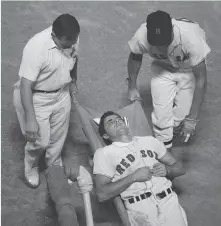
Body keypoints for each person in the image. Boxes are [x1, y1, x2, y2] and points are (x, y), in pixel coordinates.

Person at [127, 10, 211, 150]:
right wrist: (132, 86)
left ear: (172, 29)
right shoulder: (141, 36)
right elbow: (135, 56)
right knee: (161, 118)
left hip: (188, 69)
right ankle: (163, 151)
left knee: (182, 117)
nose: (161, 47)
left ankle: (178, 124)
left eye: (164, 42)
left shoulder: (191, 39)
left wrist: (192, 118)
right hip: (162, 68)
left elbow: (201, 78)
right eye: (156, 43)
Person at [13, 14, 80, 188]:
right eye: (67, 42)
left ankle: (54, 165)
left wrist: (73, 81)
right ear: (54, 36)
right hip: (37, 96)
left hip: (62, 93)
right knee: (39, 141)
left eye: (74, 40)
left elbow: (75, 58)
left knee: (58, 137)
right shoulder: (36, 47)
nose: (72, 44)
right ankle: (31, 166)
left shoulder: (72, 38)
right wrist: (30, 119)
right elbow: (25, 86)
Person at [93, 111, 187, 226]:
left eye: (119, 119)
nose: (117, 121)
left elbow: (181, 168)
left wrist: (168, 170)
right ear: (106, 135)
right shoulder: (104, 154)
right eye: (110, 122)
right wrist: (133, 177)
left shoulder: (149, 141)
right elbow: (102, 194)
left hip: (169, 202)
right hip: (141, 209)